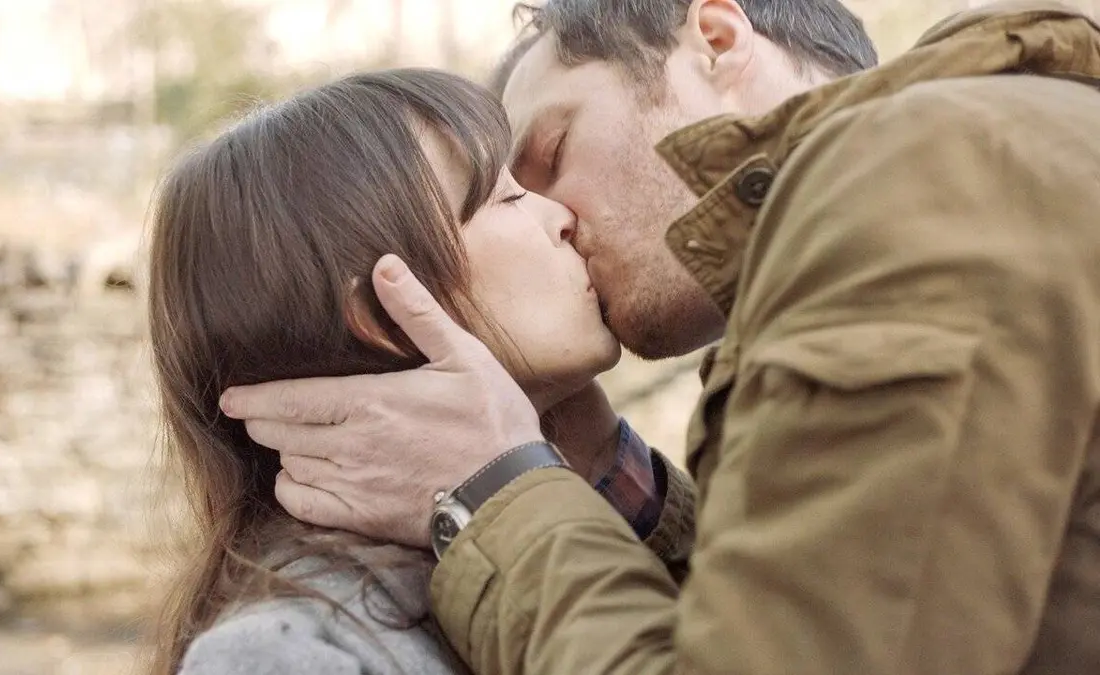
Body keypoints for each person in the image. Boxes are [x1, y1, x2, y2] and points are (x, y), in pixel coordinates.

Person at [221, 0, 1100, 674]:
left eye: (553, 151)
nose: (556, 220)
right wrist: (605, 472)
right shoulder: (981, 153)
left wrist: (492, 492)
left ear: (716, 37)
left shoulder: (913, 178)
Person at [143, 68, 697, 675]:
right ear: (385, 315)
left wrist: (588, 469)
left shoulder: (583, 511)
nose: (561, 214)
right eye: (506, 197)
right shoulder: (294, 653)